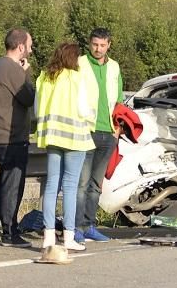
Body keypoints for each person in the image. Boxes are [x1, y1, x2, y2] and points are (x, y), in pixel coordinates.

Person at [35, 42, 97, 252]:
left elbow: (37, 109)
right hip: (75, 138)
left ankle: (48, 236)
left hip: (52, 137)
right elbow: (84, 109)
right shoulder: (77, 77)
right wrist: (92, 120)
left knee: (52, 186)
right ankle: (69, 237)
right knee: (70, 187)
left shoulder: (44, 77)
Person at [0, 28, 35, 247]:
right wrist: (26, 74)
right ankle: (10, 231)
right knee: (13, 185)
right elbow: (28, 97)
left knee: (5, 181)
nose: (30, 49)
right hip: (12, 135)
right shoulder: (12, 69)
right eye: (29, 45)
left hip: (0, 133)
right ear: (20, 46)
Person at [74, 27, 124, 243]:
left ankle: (89, 225)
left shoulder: (114, 67)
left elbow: (119, 99)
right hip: (87, 130)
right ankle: (74, 227)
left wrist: (118, 130)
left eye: (102, 45)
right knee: (81, 182)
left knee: (96, 184)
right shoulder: (80, 64)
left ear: (109, 45)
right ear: (89, 44)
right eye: (95, 44)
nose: (98, 49)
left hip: (108, 132)